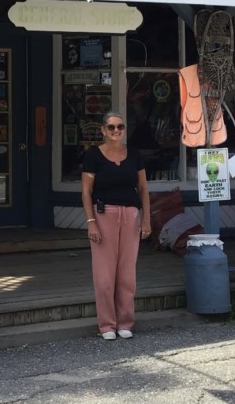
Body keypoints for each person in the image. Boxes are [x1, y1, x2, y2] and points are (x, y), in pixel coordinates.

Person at [82, 111, 151, 340]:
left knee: (127, 273)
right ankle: (107, 325)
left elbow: (142, 188)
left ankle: (125, 322)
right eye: (111, 127)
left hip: (130, 215)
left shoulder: (134, 155)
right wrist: (91, 221)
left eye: (120, 127)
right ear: (103, 130)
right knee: (104, 274)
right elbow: (86, 191)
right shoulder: (94, 155)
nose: (116, 131)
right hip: (104, 214)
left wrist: (147, 219)